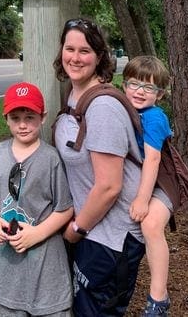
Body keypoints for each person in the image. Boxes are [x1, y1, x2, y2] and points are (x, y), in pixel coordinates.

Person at [52, 18, 146, 316]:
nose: (75, 58)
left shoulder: (103, 107)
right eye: (70, 49)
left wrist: (75, 231)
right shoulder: (74, 92)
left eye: (85, 51)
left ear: (100, 56)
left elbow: (109, 186)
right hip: (92, 231)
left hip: (110, 237)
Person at [0, 81, 73, 317]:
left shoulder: (50, 158)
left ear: (42, 117)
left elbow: (65, 208)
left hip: (47, 273)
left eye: (29, 117)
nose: (22, 124)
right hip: (9, 274)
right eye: (15, 117)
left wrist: (36, 234)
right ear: (6, 118)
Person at [122, 56, 173, 316]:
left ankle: (158, 298)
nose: (140, 91)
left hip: (164, 181)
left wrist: (142, 199)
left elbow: (153, 159)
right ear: (124, 85)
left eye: (149, 87)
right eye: (134, 84)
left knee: (150, 224)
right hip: (144, 177)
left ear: (160, 94)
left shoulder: (153, 117)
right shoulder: (126, 110)